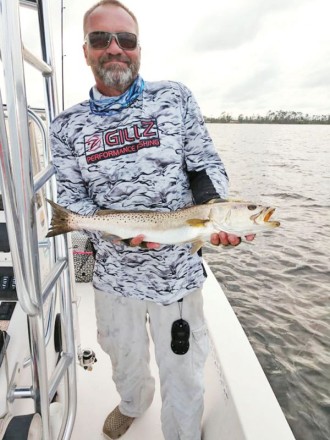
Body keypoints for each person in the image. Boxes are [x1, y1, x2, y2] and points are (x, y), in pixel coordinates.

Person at [50, 1, 254, 439]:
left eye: (126, 39)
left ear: (139, 48)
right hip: (113, 275)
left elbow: (203, 167)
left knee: (182, 368)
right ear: (85, 49)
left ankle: (180, 433)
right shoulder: (66, 127)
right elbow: (73, 198)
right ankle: (132, 403)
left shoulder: (174, 97)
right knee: (122, 355)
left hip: (175, 275)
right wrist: (112, 235)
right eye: (101, 39)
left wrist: (214, 211)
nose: (115, 49)